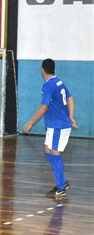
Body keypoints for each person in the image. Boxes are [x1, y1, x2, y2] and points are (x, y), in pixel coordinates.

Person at [23, 59, 77, 198]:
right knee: (48, 150)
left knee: (54, 153)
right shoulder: (59, 81)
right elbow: (70, 98)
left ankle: (61, 187)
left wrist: (30, 122)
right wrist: (71, 116)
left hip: (58, 125)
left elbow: (44, 106)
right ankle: (62, 182)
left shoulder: (48, 85)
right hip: (57, 124)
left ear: (43, 70)